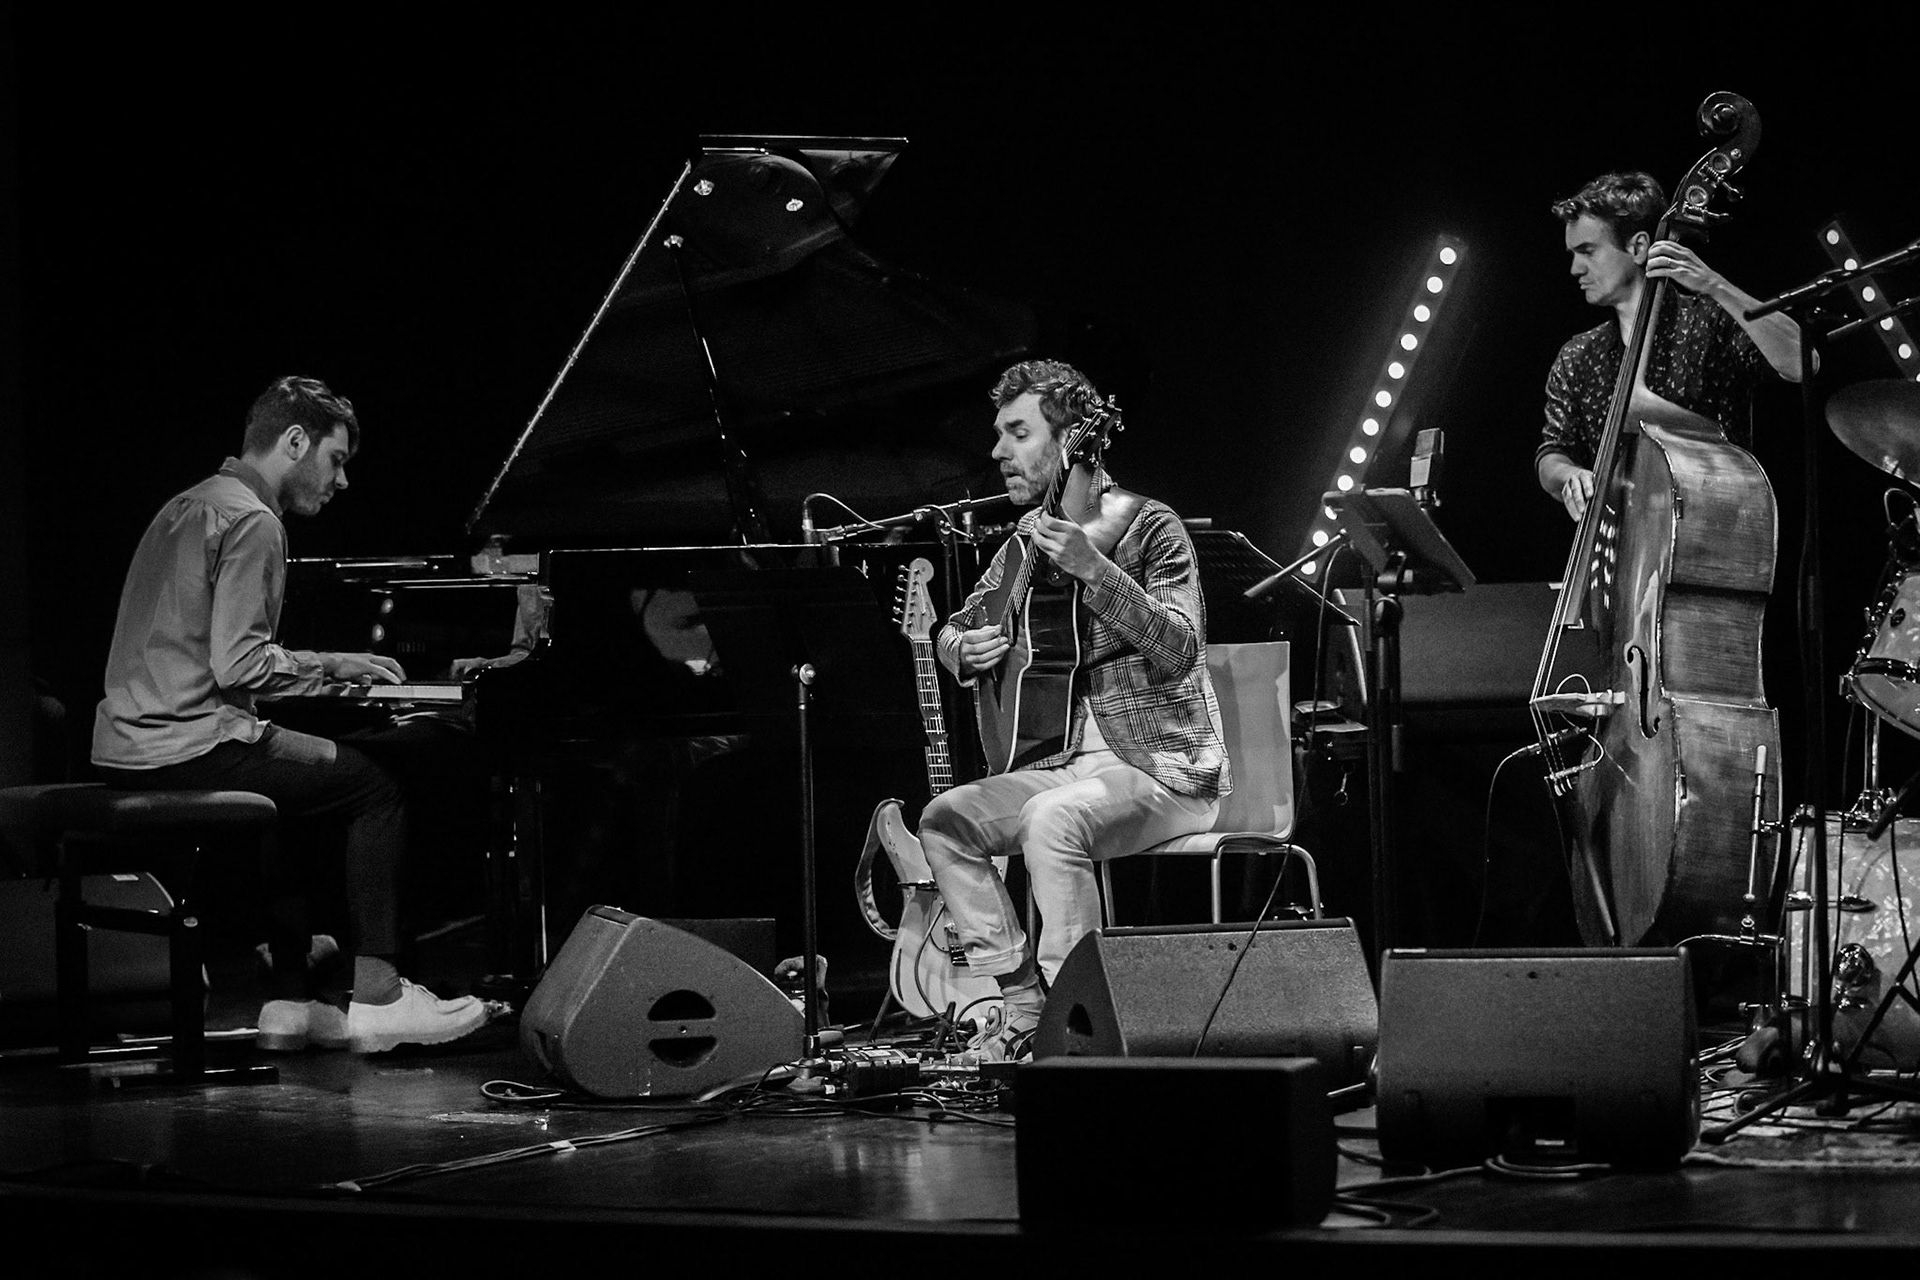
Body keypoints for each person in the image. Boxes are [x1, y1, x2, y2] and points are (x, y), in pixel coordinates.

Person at [90, 375, 489, 1054]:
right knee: (373, 787)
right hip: (192, 745)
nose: (341, 483)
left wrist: (322, 667)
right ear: (295, 441)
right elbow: (240, 668)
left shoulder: (185, 504)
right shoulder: (254, 519)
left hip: (128, 742)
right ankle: (380, 996)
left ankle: (289, 1002)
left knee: (298, 795)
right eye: (336, 460)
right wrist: (330, 666)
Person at [918, 359, 1229, 1058]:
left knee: (1051, 820)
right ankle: (1024, 1001)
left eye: (1016, 432)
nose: (997, 451)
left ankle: (1078, 1026)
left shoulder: (1151, 528)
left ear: (1070, 443)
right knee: (943, 822)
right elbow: (957, 620)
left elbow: (1180, 648)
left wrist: (1097, 569)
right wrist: (957, 648)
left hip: (1161, 768)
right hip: (1060, 765)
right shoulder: (1026, 542)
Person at [1535, 170, 1805, 521]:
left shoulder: (1709, 321)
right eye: (1572, 253)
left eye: (1587, 251)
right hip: (1616, 549)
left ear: (1638, 247)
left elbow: (1802, 362)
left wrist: (1715, 285)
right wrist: (1568, 476)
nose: (1574, 268)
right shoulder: (1577, 356)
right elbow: (1553, 452)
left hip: (1713, 529)